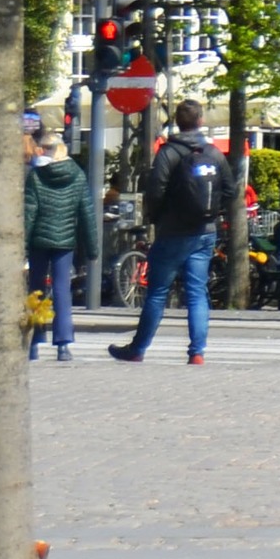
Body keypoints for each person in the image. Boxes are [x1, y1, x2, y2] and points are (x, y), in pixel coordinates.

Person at [107, 101, 221, 364]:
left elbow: (155, 191)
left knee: (158, 290)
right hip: (204, 231)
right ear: (201, 121)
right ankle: (197, 353)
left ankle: (138, 348)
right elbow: (228, 188)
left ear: (178, 122)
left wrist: (158, 219)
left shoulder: (168, 153)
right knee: (196, 291)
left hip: (173, 231)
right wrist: (211, 215)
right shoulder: (213, 153)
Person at [21, 114, 90, 361]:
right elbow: (87, 213)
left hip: (39, 240)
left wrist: (22, 244)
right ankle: (63, 344)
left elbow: (29, 213)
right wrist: (91, 248)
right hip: (65, 241)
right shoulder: (77, 175)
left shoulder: (36, 176)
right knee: (62, 289)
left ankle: (33, 341)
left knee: (36, 289)